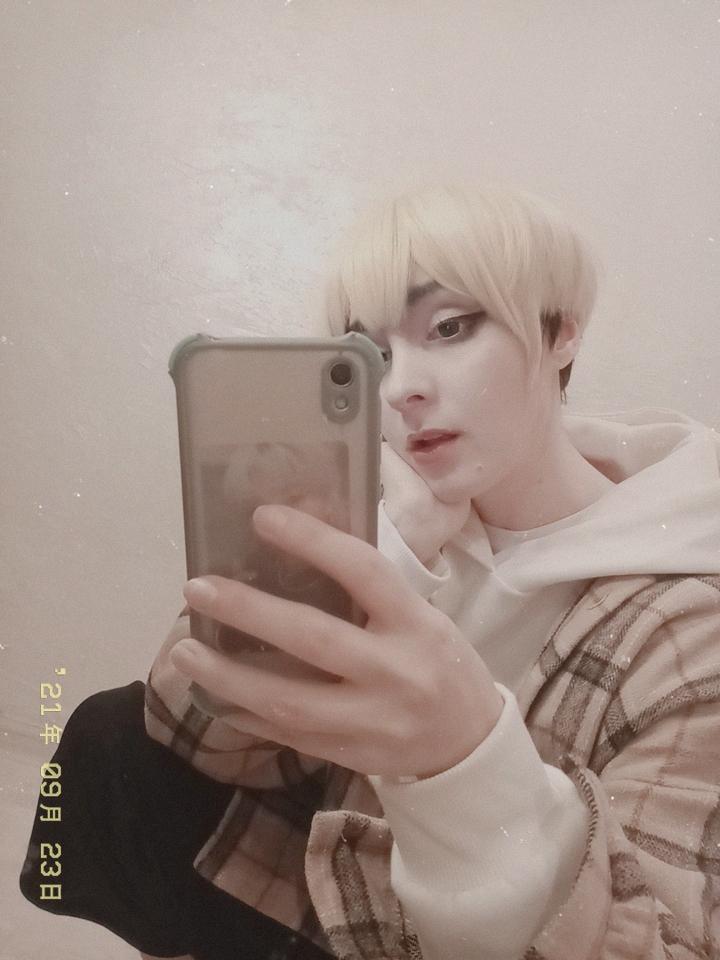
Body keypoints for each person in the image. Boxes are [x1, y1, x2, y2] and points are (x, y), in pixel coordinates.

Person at [19, 182, 720, 960]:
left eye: (450, 328)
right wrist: (389, 550)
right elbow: (186, 731)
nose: (401, 386)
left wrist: (465, 764)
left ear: (562, 332)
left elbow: (664, 942)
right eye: (372, 355)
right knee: (109, 732)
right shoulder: (381, 502)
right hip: (336, 893)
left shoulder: (686, 623)